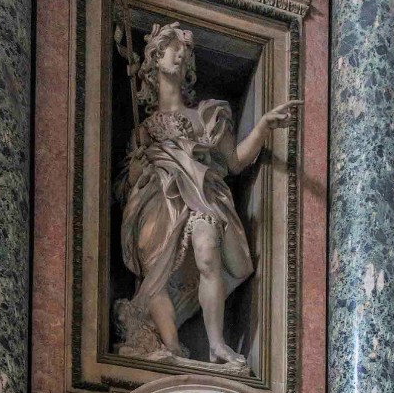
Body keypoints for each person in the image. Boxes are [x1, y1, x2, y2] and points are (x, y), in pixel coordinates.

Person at [118, 21, 300, 366]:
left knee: (207, 249)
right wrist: (139, 168)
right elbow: (126, 182)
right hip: (156, 202)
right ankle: (171, 345)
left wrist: (262, 127)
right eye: (174, 49)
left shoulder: (206, 115)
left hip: (203, 196)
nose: (181, 56)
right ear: (155, 58)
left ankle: (216, 345)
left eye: (185, 53)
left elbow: (234, 162)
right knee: (153, 270)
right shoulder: (143, 131)